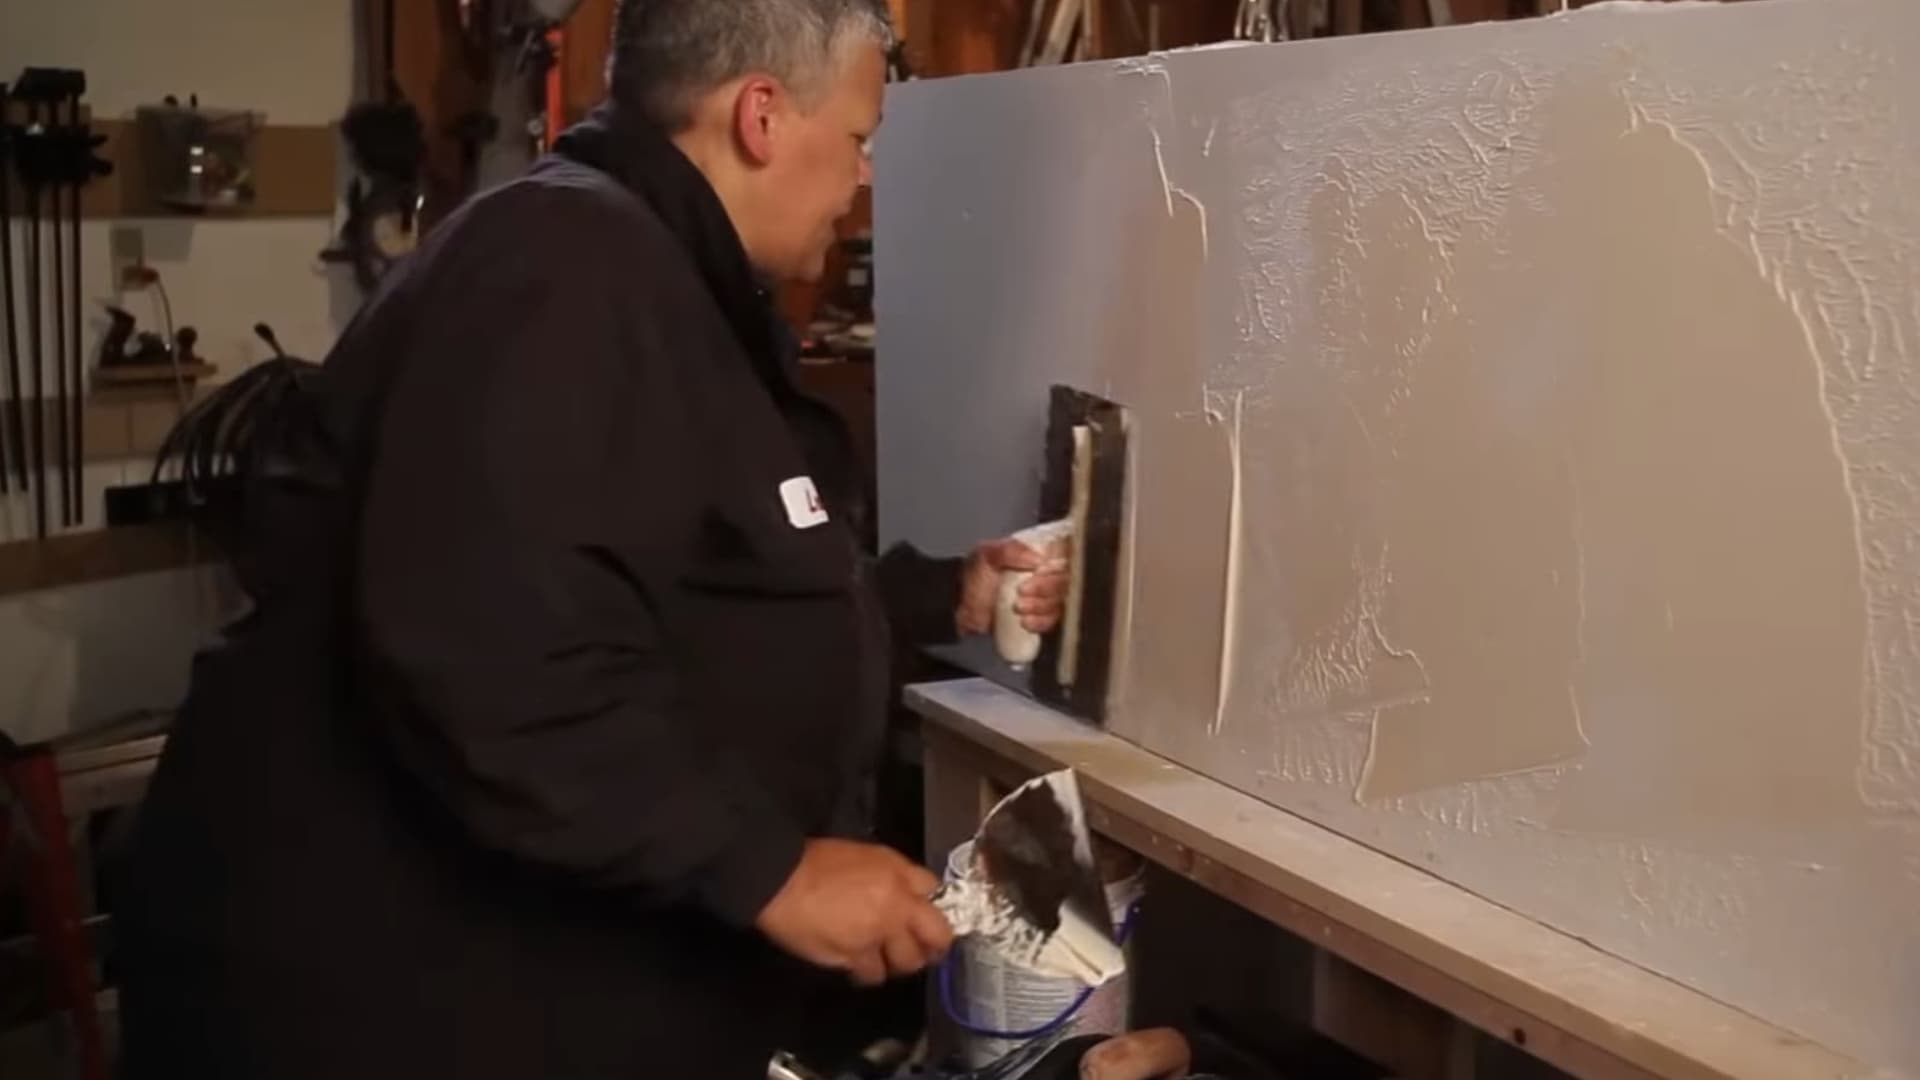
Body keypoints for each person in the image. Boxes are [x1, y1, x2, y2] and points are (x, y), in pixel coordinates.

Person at [116, 2, 1069, 1077]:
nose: (861, 186)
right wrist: (768, 871)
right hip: (371, 1000)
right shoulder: (559, 267)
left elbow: (697, 583)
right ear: (761, 115)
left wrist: (944, 598)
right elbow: (490, 646)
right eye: (857, 140)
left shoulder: (660, 277)